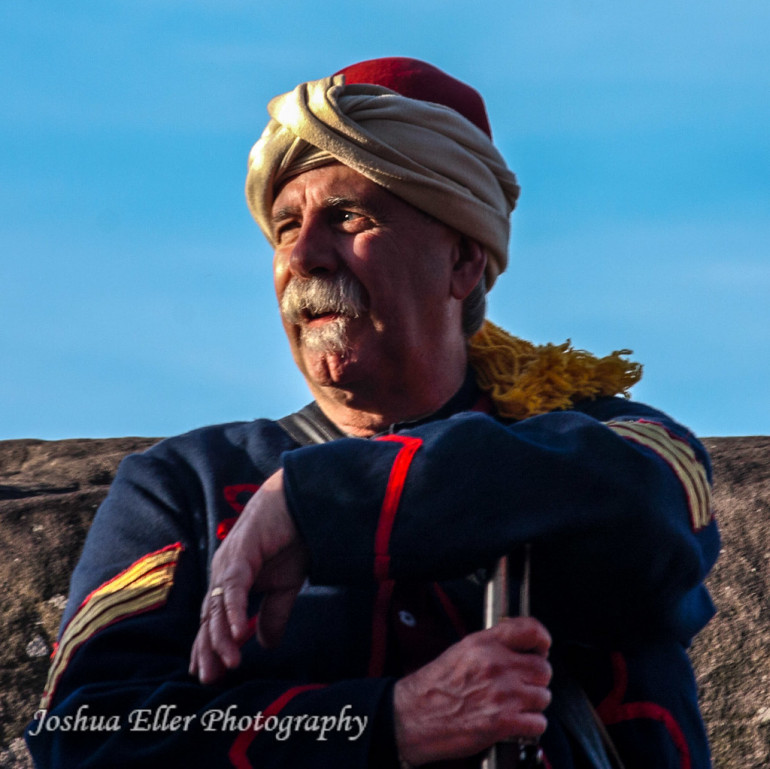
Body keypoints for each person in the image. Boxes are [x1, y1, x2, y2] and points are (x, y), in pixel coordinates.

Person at [27, 57, 719, 769]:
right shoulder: (185, 486)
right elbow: (83, 736)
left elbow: (658, 512)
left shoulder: (609, 449)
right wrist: (388, 721)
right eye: (285, 225)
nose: (302, 256)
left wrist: (318, 500)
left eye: (348, 217)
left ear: (463, 261)